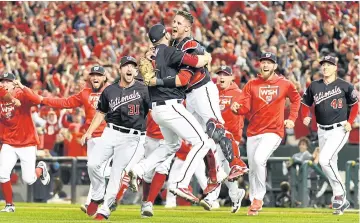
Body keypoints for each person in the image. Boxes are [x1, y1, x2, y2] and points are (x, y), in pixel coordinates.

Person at [128, 23, 216, 214]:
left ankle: (140, 169)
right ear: (165, 35)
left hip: (157, 110)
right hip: (171, 105)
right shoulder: (168, 51)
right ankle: (182, 183)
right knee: (202, 142)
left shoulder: (149, 55)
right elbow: (196, 61)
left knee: (171, 146)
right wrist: (208, 56)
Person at [171, 10, 248, 183]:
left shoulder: (190, 43)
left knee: (215, 127)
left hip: (202, 89)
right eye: (174, 22)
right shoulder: (175, 45)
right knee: (199, 138)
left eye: (179, 23)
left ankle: (237, 163)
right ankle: (216, 174)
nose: (174, 25)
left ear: (188, 28)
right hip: (190, 95)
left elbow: (199, 57)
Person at [40, 65, 119, 213]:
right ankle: (109, 194)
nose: (95, 77)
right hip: (91, 137)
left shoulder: (112, 91)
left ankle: (92, 202)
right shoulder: (85, 93)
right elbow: (65, 103)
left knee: (98, 169)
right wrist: (44, 99)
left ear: (104, 78)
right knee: (94, 170)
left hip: (107, 135)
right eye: (93, 75)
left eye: (98, 75)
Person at [231, 52, 301, 215]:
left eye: (269, 62)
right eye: (263, 62)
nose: (266, 65)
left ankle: (258, 197)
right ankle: (255, 201)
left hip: (274, 131)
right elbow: (244, 107)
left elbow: (296, 99)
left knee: (258, 159)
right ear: (259, 65)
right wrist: (237, 109)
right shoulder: (251, 84)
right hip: (254, 132)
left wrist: (291, 118)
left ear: (275, 66)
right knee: (254, 167)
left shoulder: (285, 83)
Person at [80, 56, 150, 220]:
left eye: (133, 66)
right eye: (126, 66)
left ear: (136, 70)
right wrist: (89, 131)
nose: (129, 69)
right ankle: (97, 196)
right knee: (93, 164)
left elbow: (154, 111)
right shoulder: (109, 90)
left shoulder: (143, 90)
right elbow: (101, 113)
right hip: (110, 132)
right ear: (120, 69)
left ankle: (104, 210)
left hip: (131, 137)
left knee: (116, 174)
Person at [301, 55, 359, 215]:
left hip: (340, 129)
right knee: (330, 163)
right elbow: (305, 104)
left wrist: (350, 121)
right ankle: (340, 201)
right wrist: (305, 115)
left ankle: (341, 193)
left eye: (328, 65)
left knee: (324, 160)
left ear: (335, 67)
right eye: (323, 65)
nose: (325, 67)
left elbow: (355, 105)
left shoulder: (345, 85)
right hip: (322, 130)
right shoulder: (314, 86)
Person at [0, 73, 50, 212]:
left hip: (26, 142)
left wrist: (23, 87)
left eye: (7, 82)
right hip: (9, 142)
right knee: (2, 173)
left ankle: (41, 168)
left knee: (29, 179)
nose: (4, 84)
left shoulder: (21, 93)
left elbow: (36, 99)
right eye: (2, 81)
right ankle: (9, 205)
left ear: (14, 83)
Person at [200, 66, 246, 213]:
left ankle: (211, 198)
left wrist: (237, 135)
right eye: (219, 74)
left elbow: (243, 113)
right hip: (216, 136)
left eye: (225, 75)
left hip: (230, 137)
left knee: (218, 165)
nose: (221, 77)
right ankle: (236, 194)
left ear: (232, 77)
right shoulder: (213, 92)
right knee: (224, 169)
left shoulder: (239, 93)